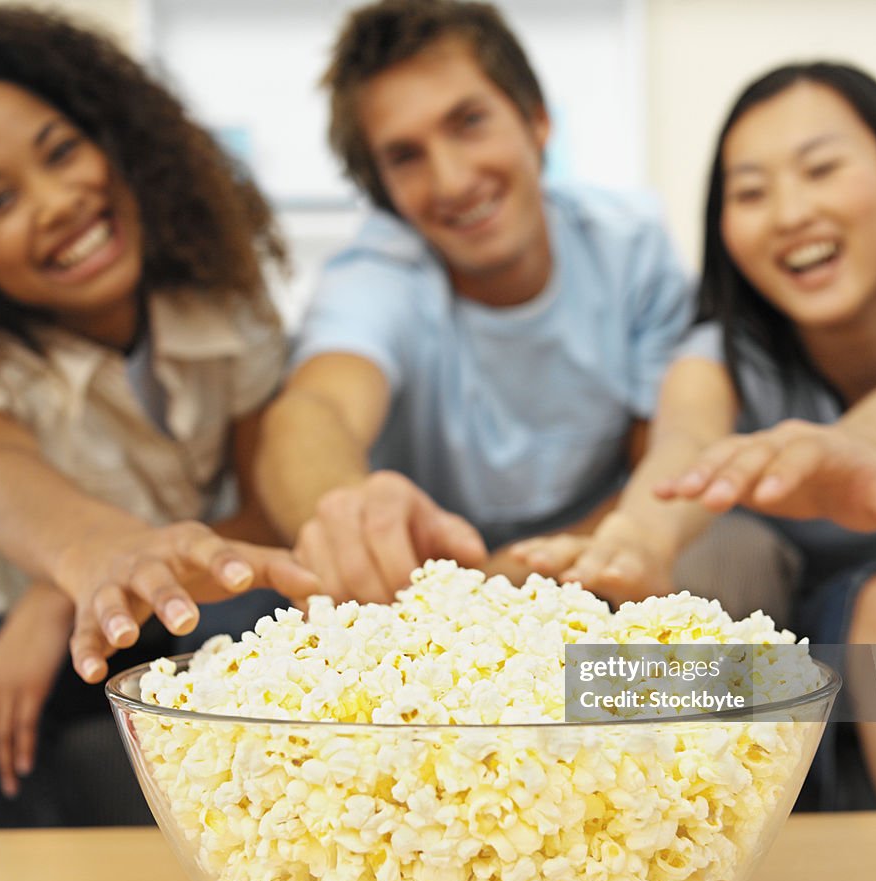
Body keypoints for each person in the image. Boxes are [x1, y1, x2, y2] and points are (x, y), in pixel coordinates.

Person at [532, 61, 876, 810]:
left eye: (822, 168)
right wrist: (639, 539)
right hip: (811, 647)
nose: (790, 212)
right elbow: (683, 447)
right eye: (750, 193)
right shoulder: (722, 357)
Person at [0, 6, 318, 825]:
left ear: (117, 141)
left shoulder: (221, 301)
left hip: (191, 606)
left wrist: (86, 591)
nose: (56, 202)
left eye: (62, 153)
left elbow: (264, 506)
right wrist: (70, 580)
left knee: (256, 614)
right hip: (41, 637)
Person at [256, 0, 746, 607]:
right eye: (405, 156)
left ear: (537, 121)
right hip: (419, 593)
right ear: (383, 194)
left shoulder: (630, 250)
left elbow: (666, 458)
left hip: (595, 552)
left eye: (469, 122)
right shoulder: (379, 275)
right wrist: (341, 509)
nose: (453, 181)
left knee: (735, 552)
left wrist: (517, 577)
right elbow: (315, 406)